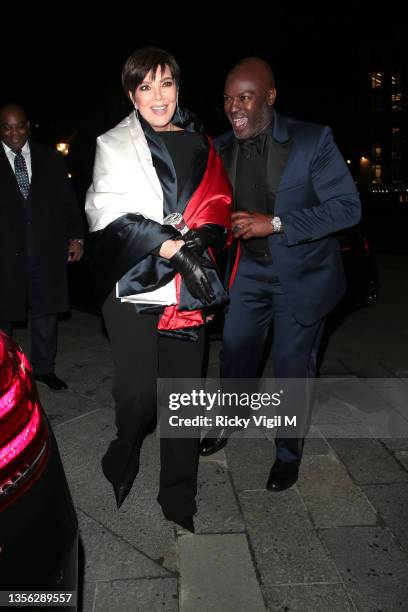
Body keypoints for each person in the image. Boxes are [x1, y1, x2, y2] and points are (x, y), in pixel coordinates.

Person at [85, 46, 231, 532]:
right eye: (145, 86)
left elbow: (218, 206)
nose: (158, 95)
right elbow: (108, 214)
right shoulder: (113, 143)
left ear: (177, 88)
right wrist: (175, 248)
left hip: (187, 291)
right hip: (134, 286)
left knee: (185, 397)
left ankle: (179, 495)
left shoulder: (202, 143)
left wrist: (204, 239)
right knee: (140, 396)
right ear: (132, 94)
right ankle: (121, 452)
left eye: (165, 83)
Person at [199, 58, 361, 492]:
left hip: (301, 276)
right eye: (229, 98)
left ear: (269, 97)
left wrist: (274, 223)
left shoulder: (313, 140)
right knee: (234, 352)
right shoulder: (218, 148)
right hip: (247, 272)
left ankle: (287, 454)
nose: (235, 107)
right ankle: (231, 417)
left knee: (292, 368)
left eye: (245, 97)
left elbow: (347, 208)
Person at [0, 104, 84, 391]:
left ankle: (44, 368)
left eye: (19, 125)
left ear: (28, 125)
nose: (14, 133)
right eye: (7, 127)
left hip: (45, 247)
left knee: (46, 311)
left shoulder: (48, 157)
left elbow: (67, 200)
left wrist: (76, 237)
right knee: (3, 315)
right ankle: (7, 374)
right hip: (5, 253)